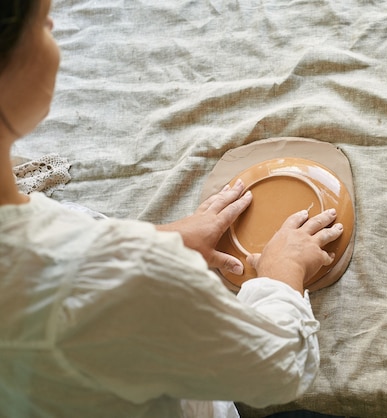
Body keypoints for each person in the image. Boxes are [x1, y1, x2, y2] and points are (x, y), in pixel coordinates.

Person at [0, 1, 344, 417]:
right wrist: (282, 274)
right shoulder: (115, 283)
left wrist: (162, 238)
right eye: (42, 22)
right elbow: (278, 368)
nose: (55, 25)